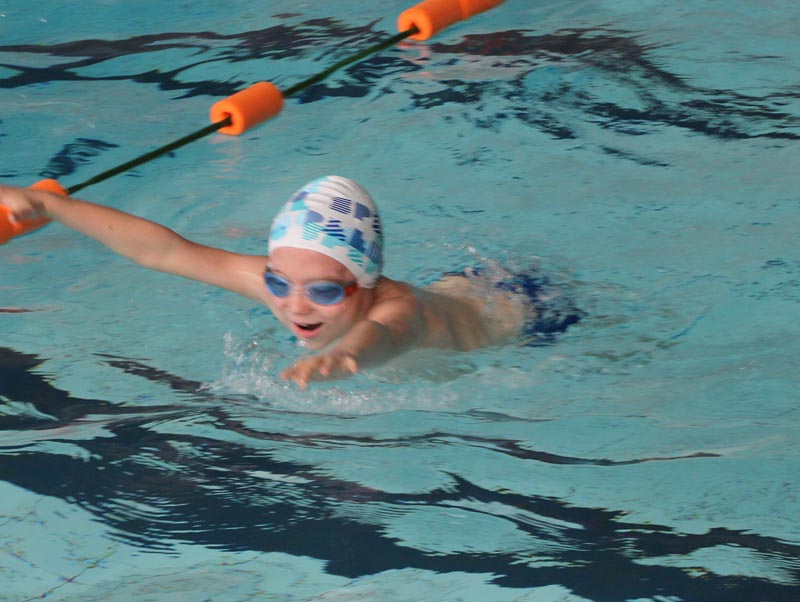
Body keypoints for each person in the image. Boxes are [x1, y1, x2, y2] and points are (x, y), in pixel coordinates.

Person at [0, 176, 581, 388]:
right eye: (278, 284)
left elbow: (381, 338)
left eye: (323, 292)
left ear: (364, 282)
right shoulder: (291, 286)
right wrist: (51, 206)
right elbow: (166, 251)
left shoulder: (400, 312)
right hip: (465, 285)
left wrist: (341, 359)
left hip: (534, 318)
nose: (295, 306)